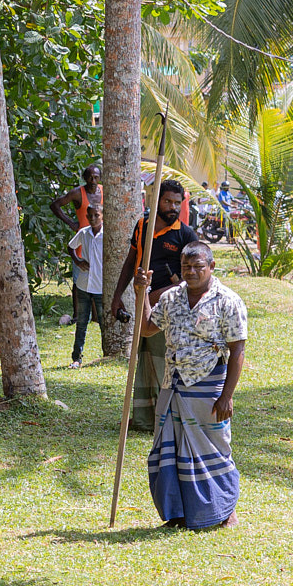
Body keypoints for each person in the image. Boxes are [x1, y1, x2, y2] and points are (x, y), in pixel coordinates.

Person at [143, 243, 246, 531]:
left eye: (199, 266)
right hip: (173, 384)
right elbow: (148, 329)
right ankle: (177, 513)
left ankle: (225, 510)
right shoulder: (171, 297)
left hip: (208, 383)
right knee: (169, 449)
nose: (192, 272)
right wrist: (141, 293)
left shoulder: (228, 300)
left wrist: (227, 396)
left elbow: (237, 351)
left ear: (211, 267)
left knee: (215, 448)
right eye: (187, 266)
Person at [107, 177, 198, 431]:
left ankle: (167, 419)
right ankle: (145, 418)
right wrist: (117, 297)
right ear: (156, 200)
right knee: (144, 359)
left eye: (177, 203)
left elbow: (192, 279)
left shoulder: (185, 234)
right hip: (141, 303)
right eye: (168, 201)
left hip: (168, 310)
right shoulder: (142, 225)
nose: (173, 207)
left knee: (163, 361)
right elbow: (131, 261)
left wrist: (159, 294)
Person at [66, 203, 103, 369]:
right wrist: (78, 261)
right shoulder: (84, 233)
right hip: (83, 284)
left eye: (97, 215)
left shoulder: (106, 235)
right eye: (91, 216)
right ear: (86, 217)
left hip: (101, 286)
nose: (93, 219)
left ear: (102, 216)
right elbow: (71, 246)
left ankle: (106, 355)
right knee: (82, 322)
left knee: (104, 322)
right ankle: (77, 358)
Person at [50, 164, 102, 234]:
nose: (93, 181)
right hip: (83, 239)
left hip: (101, 239)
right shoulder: (77, 193)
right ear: (85, 178)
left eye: (96, 177)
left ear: (100, 178)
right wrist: (71, 223)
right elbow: (54, 205)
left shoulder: (104, 191)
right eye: (90, 177)